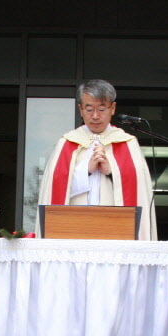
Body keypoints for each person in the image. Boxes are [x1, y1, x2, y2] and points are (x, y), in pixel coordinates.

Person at [37, 79, 157, 240]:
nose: (95, 116)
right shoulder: (67, 143)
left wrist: (111, 172)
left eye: (101, 109)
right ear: (80, 109)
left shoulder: (127, 143)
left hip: (116, 229)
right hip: (73, 229)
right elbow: (54, 189)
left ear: (112, 108)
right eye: (89, 109)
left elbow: (139, 190)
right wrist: (86, 170)